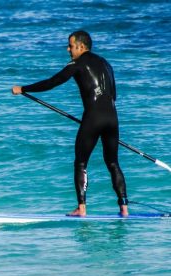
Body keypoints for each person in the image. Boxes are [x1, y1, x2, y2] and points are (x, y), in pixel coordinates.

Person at [12, 30, 128, 217]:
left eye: (70, 46)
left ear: (81, 46)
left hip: (93, 118)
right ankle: (124, 208)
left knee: (81, 163)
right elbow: (113, 94)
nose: (68, 49)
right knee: (113, 163)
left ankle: (81, 208)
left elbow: (53, 81)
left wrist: (23, 89)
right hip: (112, 119)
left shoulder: (78, 62)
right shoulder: (106, 63)